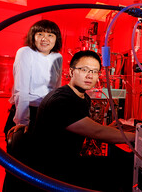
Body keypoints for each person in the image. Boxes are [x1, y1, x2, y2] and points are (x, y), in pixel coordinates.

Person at [28, 50, 135, 191]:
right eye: (84, 69)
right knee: (124, 167)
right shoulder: (60, 100)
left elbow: (85, 128)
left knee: (122, 161)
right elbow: (97, 131)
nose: (90, 75)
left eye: (95, 71)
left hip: (69, 162)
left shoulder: (83, 98)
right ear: (71, 72)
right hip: (53, 171)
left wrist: (110, 127)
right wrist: (139, 137)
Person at [3, 19, 63, 191]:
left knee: (40, 169)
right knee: (18, 169)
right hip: (25, 113)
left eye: (50, 35)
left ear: (56, 38)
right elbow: (21, 88)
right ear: (33, 36)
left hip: (45, 115)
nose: (45, 38)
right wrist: (22, 122)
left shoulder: (57, 57)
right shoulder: (25, 52)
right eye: (40, 34)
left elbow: (55, 89)